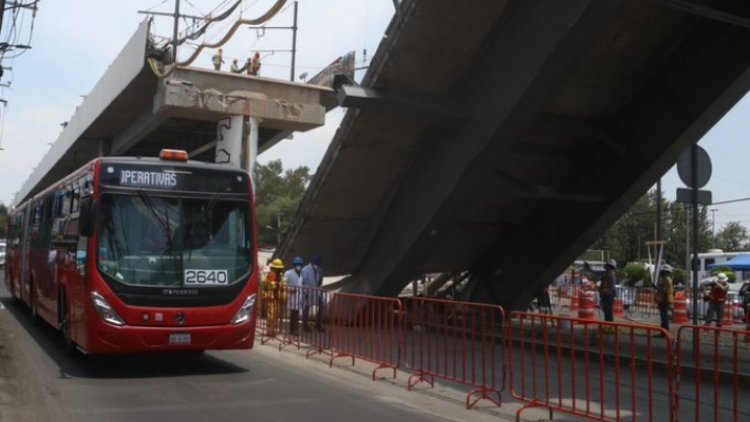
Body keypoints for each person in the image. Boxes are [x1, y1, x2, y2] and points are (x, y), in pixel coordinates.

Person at [263, 258, 285, 336]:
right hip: (271, 297)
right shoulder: (269, 275)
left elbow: (283, 285)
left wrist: (283, 295)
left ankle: (274, 330)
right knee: (271, 314)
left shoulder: (281, 276)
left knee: (276, 314)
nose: (278, 270)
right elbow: (265, 283)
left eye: (279, 269)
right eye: (277, 268)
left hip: (277, 297)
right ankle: (269, 330)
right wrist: (272, 283)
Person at [301, 254, 323, 331]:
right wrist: (305, 292)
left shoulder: (319, 269)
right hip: (307, 292)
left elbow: (320, 279)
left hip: (316, 291)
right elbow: (303, 282)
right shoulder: (305, 269)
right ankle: (305, 326)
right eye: (316, 264)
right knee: (306, 308)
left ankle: (318, 324)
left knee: (322, 305)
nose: (317, 265)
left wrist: (320, 283)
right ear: (312, 262)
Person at [283, 256, 304, 335]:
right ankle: (294, 329)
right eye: (297, 264)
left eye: (300, 265)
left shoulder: (302, 273)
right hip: (292, 297)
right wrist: (291, 290)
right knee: (294, 314)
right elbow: (284, 284)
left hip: (299, 297)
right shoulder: (288, 273)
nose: (298, 266)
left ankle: (293, 329)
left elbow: (302, 284)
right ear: (294, 265)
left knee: (296, 313)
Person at [654, 264, 674, 333]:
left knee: (664, 317)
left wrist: (656, 287)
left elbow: (663, 290)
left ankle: (664, 332)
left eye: (663, 271)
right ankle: (663, 332)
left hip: (664, 300)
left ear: (665, 272)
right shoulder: (668, 279)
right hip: (665, 300)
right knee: (664, 317)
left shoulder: (666, 280)